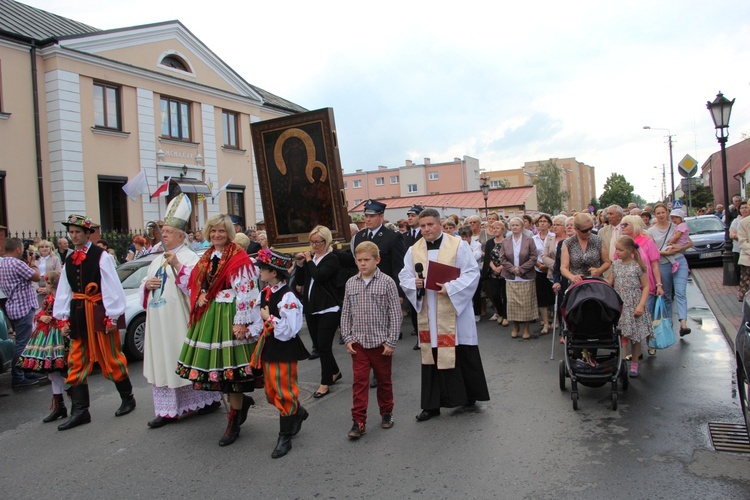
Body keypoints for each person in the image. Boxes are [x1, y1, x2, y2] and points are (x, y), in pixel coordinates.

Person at [169, 213, 259, 446]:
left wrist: (241, 320)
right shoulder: (208, 256)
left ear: (228, 233)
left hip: (229, 313)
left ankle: (233, 420)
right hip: (210, 316)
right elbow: (197, 281)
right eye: (213, 231)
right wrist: (199, 293)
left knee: (232, 373)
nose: (217, 235)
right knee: (218, 371)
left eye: (221, 231)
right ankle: (238, 409)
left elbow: (247, 289)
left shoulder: (237, 255)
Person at [399, 208, 490, 421]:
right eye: (422, 226)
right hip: (429, 311)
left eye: (430, 225)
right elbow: (404, 275)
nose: (426, 229)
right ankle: (431, 406)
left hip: (454, 310)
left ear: (440, 224)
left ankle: (467, 396)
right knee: (432, 355)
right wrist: (415, 283)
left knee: (460, 352)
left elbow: (471, 273)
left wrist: (450, 287)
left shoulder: (458, 245)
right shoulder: (414, 250)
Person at [141, 195, 222, 429]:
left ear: (180, 235)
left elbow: (197, 288)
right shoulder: (155, 260)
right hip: (159, 322)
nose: (163, 234)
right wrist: (147, 286)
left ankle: (207, 400)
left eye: (168, 231)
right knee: (163, 361)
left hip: (180, 322)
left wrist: (178, 266)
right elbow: (146, 286)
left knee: (183, 358)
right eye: (162, 231)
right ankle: (168, 410)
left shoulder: (189, 258)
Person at [53, 215, 134, 430]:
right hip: (79, 312)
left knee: (111, 356)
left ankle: (128, 398)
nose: (74, 236)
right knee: (76, 359)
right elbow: (64, 289)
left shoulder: (101, 256)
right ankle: (80, 411)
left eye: (78, 232)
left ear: (88, 233)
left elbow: (111, 286)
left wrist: (112, 315)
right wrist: (62, 317)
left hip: (99, 311)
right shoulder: (69, 260)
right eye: (71, 232)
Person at [249, 249, 309, 458]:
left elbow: (291, 329)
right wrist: (250, 330)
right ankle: (297, 411)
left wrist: (269, 319)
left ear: (274, 272)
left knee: (284, 391)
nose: (260, 273)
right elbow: (258, 318)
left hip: (283, 348)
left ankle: (285, 436)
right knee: (270, 392)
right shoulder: (265, 292)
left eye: (263, 269)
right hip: (269, 346)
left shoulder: (288, 295)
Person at [341, 241, 401, 439]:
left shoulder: (387, 282)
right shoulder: (351, 283)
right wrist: (347, 337)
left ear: (377, 260)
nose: (363, 264)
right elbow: (346, 312)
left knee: (384, 381)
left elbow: (395, 313)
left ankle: (386, 412)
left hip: (381, 343)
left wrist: (391, 341)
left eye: (367, 260)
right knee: (359, 383)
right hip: (359, 344)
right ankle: (358, 421)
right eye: (359, 260)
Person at [295, 225, 343, 399]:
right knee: (317, 344)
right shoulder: (311, 258)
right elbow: (300, 282)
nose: (314, 245)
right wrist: (300, 265)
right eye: (312, 242)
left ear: (326, 241)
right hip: (311, 307)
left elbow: (320, 276)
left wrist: (308, 261)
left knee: (324, 346)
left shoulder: (332, 258)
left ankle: (325, 383)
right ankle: (335, 371)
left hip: (328, 307)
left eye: (318, 242)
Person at [17, 271, 69, 422]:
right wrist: (41, 316)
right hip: (46, 335)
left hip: (56, 336)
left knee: (53, 372)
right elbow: (41, 312)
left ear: (52, 284)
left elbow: (63, 315)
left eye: (46, 283)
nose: (44, 286)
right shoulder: (49, 298)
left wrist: (49, 317)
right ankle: (60, 405)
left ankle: (71, 394)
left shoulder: (60, 298)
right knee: (51, 372)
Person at [606, 236, 653, 377]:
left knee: (635, 336)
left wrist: (641, 305)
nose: (618, 252)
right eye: (617, 250)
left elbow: (645, 286)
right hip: (620, 304)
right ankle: (621, 365)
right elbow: (609, 283)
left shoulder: (637, 266)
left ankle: (634, 364)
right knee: (622, 334)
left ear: (629, 250)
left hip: (634, 304)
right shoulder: (615, 265)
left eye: (620, 250)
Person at [0, 238, 42, 388]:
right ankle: (18, 376)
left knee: (24, 342)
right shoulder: (16, 263)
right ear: (18, 249)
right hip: (23, 307)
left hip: (13, 306)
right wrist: (33, 263)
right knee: (23, 344)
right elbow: (36, 276)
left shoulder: (3, 263)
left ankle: (27, 371)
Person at [648, 203, 692, 337]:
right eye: (658, 213)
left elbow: (689, 242)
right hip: (662, 263)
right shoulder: (651, 231)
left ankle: (683, 323)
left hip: (678, 261)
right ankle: (669, 325)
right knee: (666, 295)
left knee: (680, 292)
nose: (661, 215)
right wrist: (663, 253)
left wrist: (680, 249)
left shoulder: (676, 227)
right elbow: (652, 250)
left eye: (663, 212)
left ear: (667, 213)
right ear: (654, 215)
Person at [499, 217, 539, 339]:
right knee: (512, 303)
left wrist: (521, 269)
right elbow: (502, 258)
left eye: (517, 225)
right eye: (513, 225)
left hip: (526, 276)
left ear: (522, 227)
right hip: (511, 277)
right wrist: (512, 269)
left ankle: (526, 328)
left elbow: (533, 257)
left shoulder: (529, 240)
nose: (515, 227)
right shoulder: (506, 241)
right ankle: (516, 326)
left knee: (526, 304)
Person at [560, 212, 611, 285]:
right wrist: (572, 277)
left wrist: (599, 270)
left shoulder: (598, 240)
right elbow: (563, 268)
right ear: (576, 229)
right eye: (585, 230)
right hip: (577, 285)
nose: (589, 232)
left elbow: (607, 262)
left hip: (596, 283)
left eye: (590, 228)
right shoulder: (568, 243)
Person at [403, 205, 424, 348]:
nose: (410, 218)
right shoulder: (403, 236)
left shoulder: (425, 234)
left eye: (413, 215)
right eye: (409, 215)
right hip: (411, 276)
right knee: (413, 308)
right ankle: (419, 336)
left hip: (424, 273)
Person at [533, 214, 555, 334]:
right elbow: (532, 254)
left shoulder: (553, 236)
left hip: (551, 268)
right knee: (541, 297)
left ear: (549, 224)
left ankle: (555, 319)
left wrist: (548, 266)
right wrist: (539, 265)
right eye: (540, 221)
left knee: (552, 294)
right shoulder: (534, 238)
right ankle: (545, 322)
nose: (542, 223)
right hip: (539, 269)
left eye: (545, 221)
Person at [484, 220, 508, 326]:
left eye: (497, 228)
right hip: (493, 272)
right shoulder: (489, 242)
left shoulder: (508, 241)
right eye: (493, 228)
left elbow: (510, 257)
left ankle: (506, 316)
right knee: (495, 294)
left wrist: (501, 267)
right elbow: (487, 258)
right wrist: (494, 268)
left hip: (506, 271)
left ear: (503, 230)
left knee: (506, 295)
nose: (495, 230)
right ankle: (500, 313)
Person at [35, 239, 61, 308]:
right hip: (39, 283)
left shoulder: (55, 259)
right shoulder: (35, 260)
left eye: (47, 247)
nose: (44, 248)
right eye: (42, 247)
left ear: (50, 248)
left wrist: (50, 288)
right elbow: (32, 274)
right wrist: (37, 289)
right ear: (39, 249)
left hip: (51, 283)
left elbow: (58, 273)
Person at [598, 205, 623, 273]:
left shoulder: (626, 230)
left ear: (619, 216)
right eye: (607, 214)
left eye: (611, 214)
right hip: (607, 270)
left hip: (624, 270)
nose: (608, 216)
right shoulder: (602, 231)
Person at [732, 201, 750, 297]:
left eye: (746, 207)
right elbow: (742, 242)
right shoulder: (743, 222)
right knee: (746, 291)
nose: (745, 209)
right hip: (748, 259)